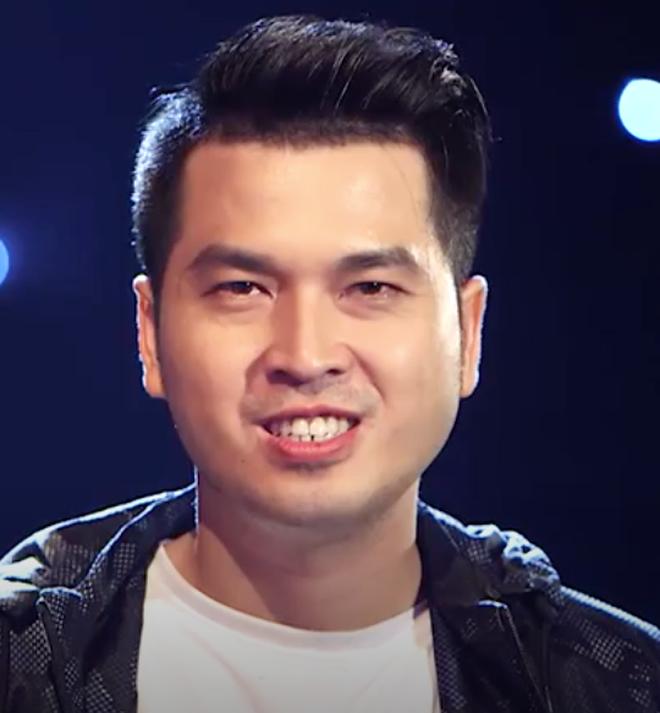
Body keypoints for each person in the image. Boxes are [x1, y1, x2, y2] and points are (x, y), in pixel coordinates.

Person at [0, 14, 658, 713]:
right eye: (242, 288)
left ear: (468, 332)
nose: (305, 356)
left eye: (370, 288)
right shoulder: (27, 657)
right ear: (150, 332)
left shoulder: (614, 686)